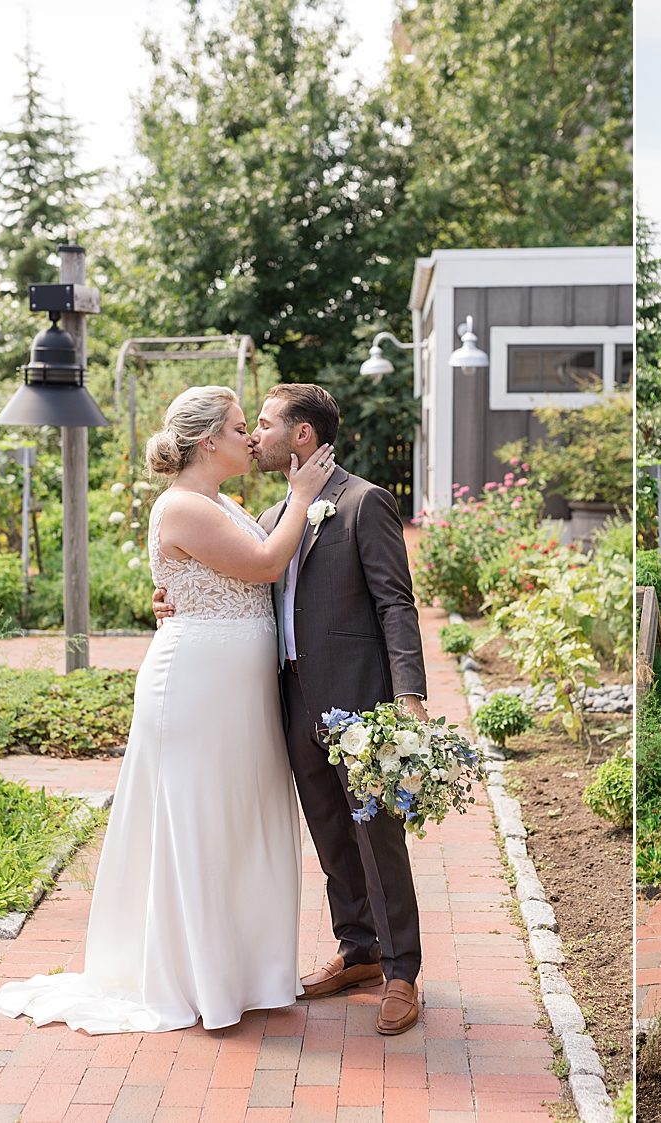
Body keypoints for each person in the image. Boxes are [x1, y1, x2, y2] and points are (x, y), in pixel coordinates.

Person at [0, 385, 336, 1033]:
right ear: (209, 440)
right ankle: (198, 978)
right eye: (242, 429)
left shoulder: (221, 502)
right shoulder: (182, 505)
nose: (252, 438)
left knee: (240, 823)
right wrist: (300, 499)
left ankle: (245, 970)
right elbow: (266, 563)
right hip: (199, 688)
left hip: (236, 688)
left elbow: (217, 574)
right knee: (201, 825)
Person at [154, 384, 429, 1035]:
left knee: (376, 831)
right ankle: (357, 950)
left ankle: (402, 971)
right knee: (330, 831)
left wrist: (410, 694)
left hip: (358, 695)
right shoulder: (278, 509)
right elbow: (236, 578)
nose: (254, 436)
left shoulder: (364, 503)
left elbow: (396, 603)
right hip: (290, 693)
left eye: (267, 424)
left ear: (302, 436)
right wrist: (173, 602)